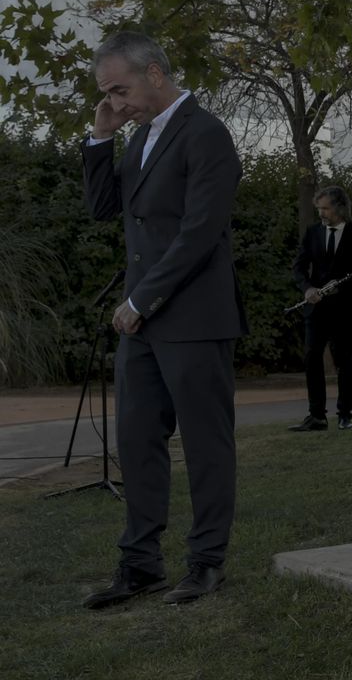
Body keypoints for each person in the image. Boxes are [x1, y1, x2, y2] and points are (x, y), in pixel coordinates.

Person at [80, 31, 247, 609]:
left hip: (194, 318)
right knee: (135, 438)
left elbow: (199, 233)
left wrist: (140, 299)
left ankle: (206, 563)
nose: (116, 102)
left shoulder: (206, 134)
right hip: (145, 325)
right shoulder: (138, 139)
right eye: (108, 93)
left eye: (120, 90)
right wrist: (101, 136)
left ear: (155, 74)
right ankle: (141, 564)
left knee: (205, 444)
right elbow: (104, 208)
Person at [289, 185, 352, 431]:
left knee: (346, 362)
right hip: (316, 308)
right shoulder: (313, 232)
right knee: (311, 357)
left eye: (326, 208)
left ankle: (344, 414)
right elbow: (298, 267)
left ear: (340, 208)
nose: (322, 213)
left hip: (345, 308)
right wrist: (307, 289)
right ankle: (316, 415)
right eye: (319, 209)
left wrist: (344, 288)